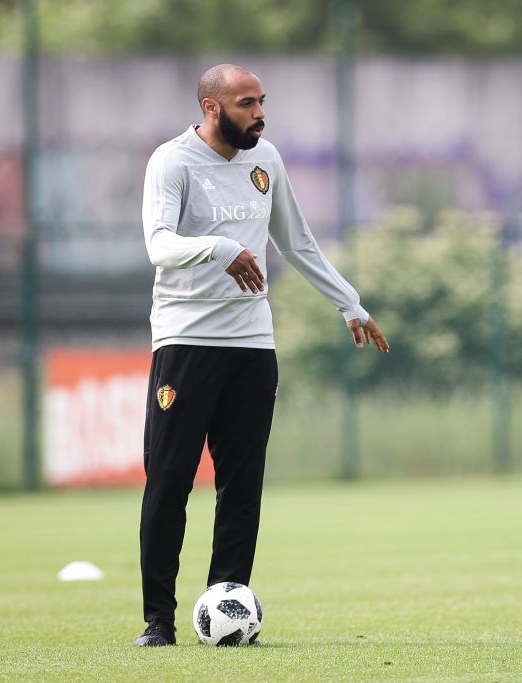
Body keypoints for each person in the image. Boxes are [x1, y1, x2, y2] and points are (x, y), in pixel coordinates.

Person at [135, 64, 389, 647]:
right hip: (185, 341)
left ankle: (226, 604)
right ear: (210, 107)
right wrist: (221, 248)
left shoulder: (264, 159)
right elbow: (159, 245)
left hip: (252, 345)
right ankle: (158, 622)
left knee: (242, 481)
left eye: (261, 102)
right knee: (170, 479)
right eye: (246, 104)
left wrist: (349, 303)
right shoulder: (171, 162)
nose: (259, 113)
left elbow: (297, 241)